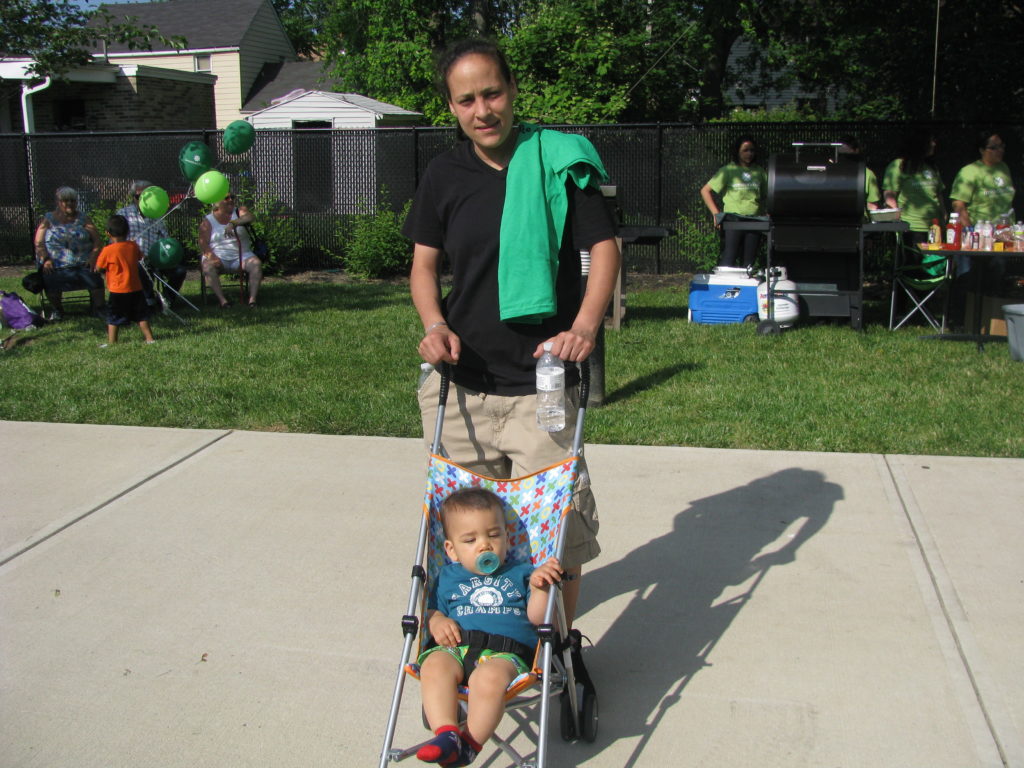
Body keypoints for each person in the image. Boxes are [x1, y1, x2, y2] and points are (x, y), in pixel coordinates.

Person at [404, 38, 619, 633]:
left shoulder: (557, 161)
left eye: (492, 92)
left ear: (513, 89)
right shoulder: (444, 173)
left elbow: (603, 249)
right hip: (460, 389)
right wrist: (434, 325)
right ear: (451, 107)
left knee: (557, 535)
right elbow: (424, 269)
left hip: (540, 389)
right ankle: (468, 641)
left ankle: (554, 648)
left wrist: (583, 328)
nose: (483, 110)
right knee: (463, 530)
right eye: (466, 99)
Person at [416, 488, 562, 766]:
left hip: (504, 653)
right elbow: (432, 612)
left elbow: (539, 618)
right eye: (470, 540)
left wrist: (539, 587)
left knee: (489, 680)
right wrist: (436, 621)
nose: (484, 545)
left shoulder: (522, 573)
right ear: (452, 550)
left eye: (494, 535)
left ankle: (469, 745)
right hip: (455, 648)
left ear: (507, 538)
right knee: (433, 666)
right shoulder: (447, 576)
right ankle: (446, 734)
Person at [33, 186, 105, 320]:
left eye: (73, 200)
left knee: (95, 279)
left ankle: (99, 308)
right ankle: (58, 310)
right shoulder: (48, 219)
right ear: (58, 202)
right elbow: (39, 242)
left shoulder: (84, 218)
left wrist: (93, 256)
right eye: (65, 200)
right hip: (56, 264)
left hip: (83, 262)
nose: (69, 203)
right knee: (50, 278)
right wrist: (46, 259)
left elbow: (97, 241)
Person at [699, 135, 768, 268]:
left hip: (754, 221)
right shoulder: (728, 170)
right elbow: (705, 191)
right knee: (729, 258)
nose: (749, 154)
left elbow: (766, 195)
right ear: (737, 151)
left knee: (749, 261)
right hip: (733, 220)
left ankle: (745, 286)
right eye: (745, 150)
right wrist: (716, 214)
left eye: (752, 150)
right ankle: (725, 286)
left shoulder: (759, 172)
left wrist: (766, 212)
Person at [117, 180, 187, 308]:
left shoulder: (157, 214)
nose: (143, 200)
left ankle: (166, 299)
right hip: (135, 259)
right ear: (134, 198)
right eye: (139, 197)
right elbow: (117, 241)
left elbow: (165, 238)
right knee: (140, 267)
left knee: (180, 271)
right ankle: (149, 301)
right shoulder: (123, 215)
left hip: (158, 258)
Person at [94, 214, 155, 346]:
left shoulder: (107, 250)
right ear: (127, 232)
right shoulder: (133, 246)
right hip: (135, 288)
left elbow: (98, 268)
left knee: (113, 317)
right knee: (141, 315)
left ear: (107, 233)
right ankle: (149, 338)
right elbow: (141, 257)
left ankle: (112, 342)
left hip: (117, 290)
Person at [882, 129, 946, 246]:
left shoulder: (931, 167)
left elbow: (938, 195)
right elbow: (890, 196)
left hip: (934, 229)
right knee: (913, 263)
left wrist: (943, 219)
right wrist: (897, 225)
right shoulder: (899, 165)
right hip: (910, 229)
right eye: (930, 141)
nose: (934, 144)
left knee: (936, 263)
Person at [198, 193, 262, 308]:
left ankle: (252, 301)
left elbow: (250, 217)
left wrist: (233, 223)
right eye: (227, 198)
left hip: (242, 256)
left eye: (233, 197)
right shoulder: (208, 220)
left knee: (256, 264)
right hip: (218, 256)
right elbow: (203, 244)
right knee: (207, 267)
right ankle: (223, 302)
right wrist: (212, 257)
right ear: (217, 202)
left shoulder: (239, 212)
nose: (231, 200)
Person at [950, 131, 1016, 229]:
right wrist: (970, 232)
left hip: (1007, 230)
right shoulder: (969, 171)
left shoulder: (1004, 167)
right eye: (993, 148)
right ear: (981, 150)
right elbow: (958, 204)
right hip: (983, 232)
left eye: (1001, 146)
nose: (1000, 150)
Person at [837, 135, 881, 213]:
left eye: (848, 156)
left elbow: (872, 206)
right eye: (840, 156)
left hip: (859, 222)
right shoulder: (829, 174)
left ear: (856, 151)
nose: (844, 159)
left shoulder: (867, 174)